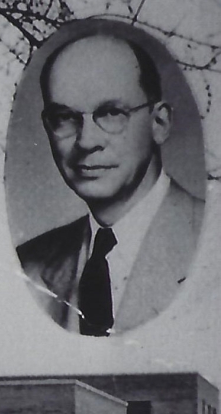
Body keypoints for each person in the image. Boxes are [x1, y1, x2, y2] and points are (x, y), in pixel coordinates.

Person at [17, 31, 205, 336]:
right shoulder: (29, 267)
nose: (87, 141)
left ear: (159, 123)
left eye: (111, 113)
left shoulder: (211, 245)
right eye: (64, 117)